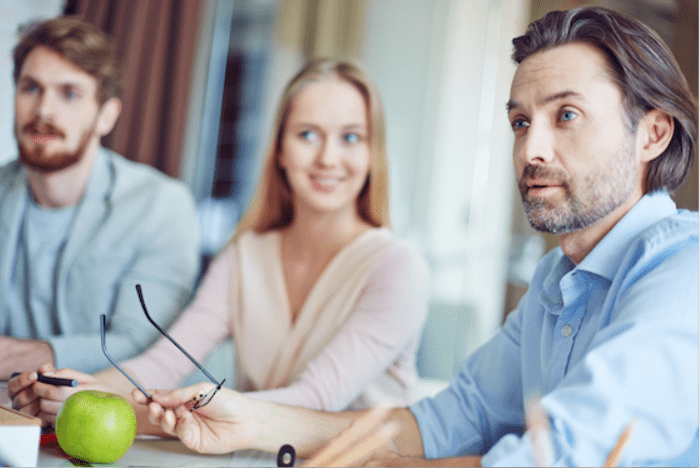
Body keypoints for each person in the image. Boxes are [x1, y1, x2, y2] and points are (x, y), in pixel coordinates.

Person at [130, 6, 698, 467]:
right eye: (521, 122)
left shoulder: (685, 271)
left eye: (566, 116)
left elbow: (564, 455)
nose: (532, 151)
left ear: (652, 133)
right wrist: (252, 420)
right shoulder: (557, 281)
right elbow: (452, 418)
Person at [9, 59, 430, 432]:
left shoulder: (397, 268)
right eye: (307, 134)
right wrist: (80, 391)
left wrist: (157, 411)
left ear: (374, 153)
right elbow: (166, 362)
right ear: (280, 149)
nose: (328, 158)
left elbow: (315, 399)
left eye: (351, 138)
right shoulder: (244, 256)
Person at [0, 17, 199, 380]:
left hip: (108, 425)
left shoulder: (161, 206)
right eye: (31, 88)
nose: (44, 111)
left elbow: (141, 347)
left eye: (69, 94)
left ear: (106, 115)